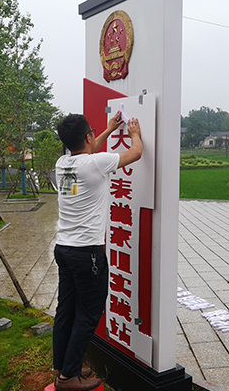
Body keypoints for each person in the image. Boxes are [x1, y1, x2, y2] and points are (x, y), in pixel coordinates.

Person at [53, 111, 142, 391]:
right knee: (88, 314)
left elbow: (88, 151)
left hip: (64, 249)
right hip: (87, 253)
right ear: (88, 137)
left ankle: (64, 366)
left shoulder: (62, 163)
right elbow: (136, 153)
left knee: (66, 311)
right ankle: (68, 378)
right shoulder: (96, 163)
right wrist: (134, 134)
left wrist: (107, 129)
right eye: (92, 133)